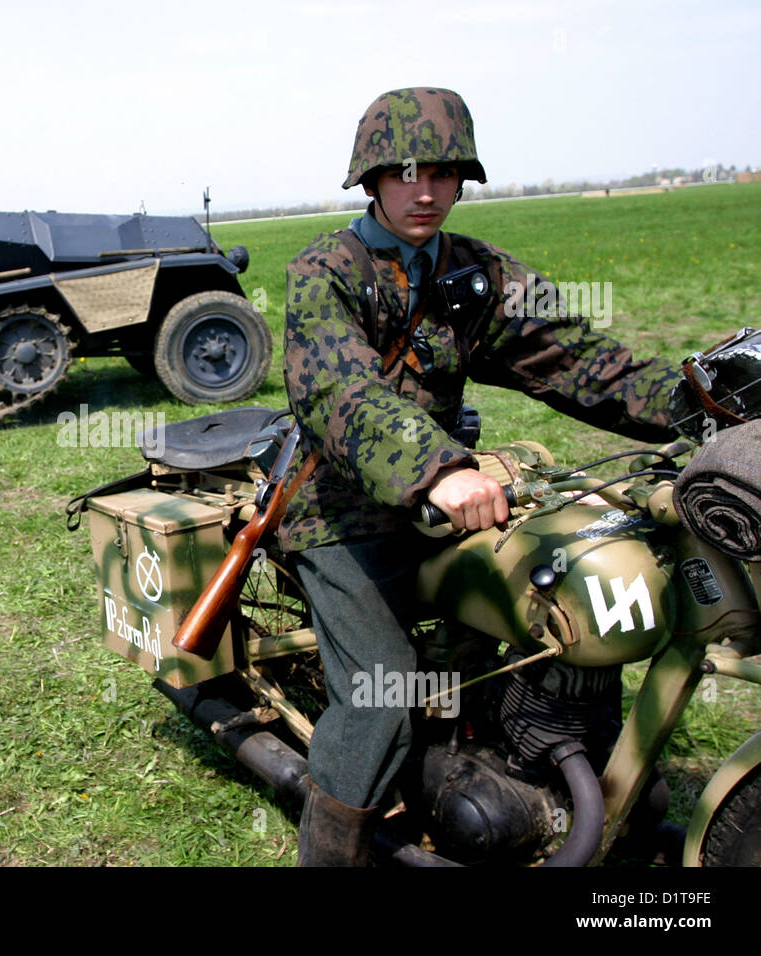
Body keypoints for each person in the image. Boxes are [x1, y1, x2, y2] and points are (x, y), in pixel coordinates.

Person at [280, 87, 682, 866]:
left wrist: (699, 403)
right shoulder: (325, 270)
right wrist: (436, 469)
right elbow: (340, 392)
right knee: (384, 692)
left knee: (558, 615)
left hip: (453, 502)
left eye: (444, 171)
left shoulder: (477, 272)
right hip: (340, 511)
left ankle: (537, 773)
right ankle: (332, 854)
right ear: (371, 180)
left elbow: (580, 361)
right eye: (405, 172)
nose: (425, 190)